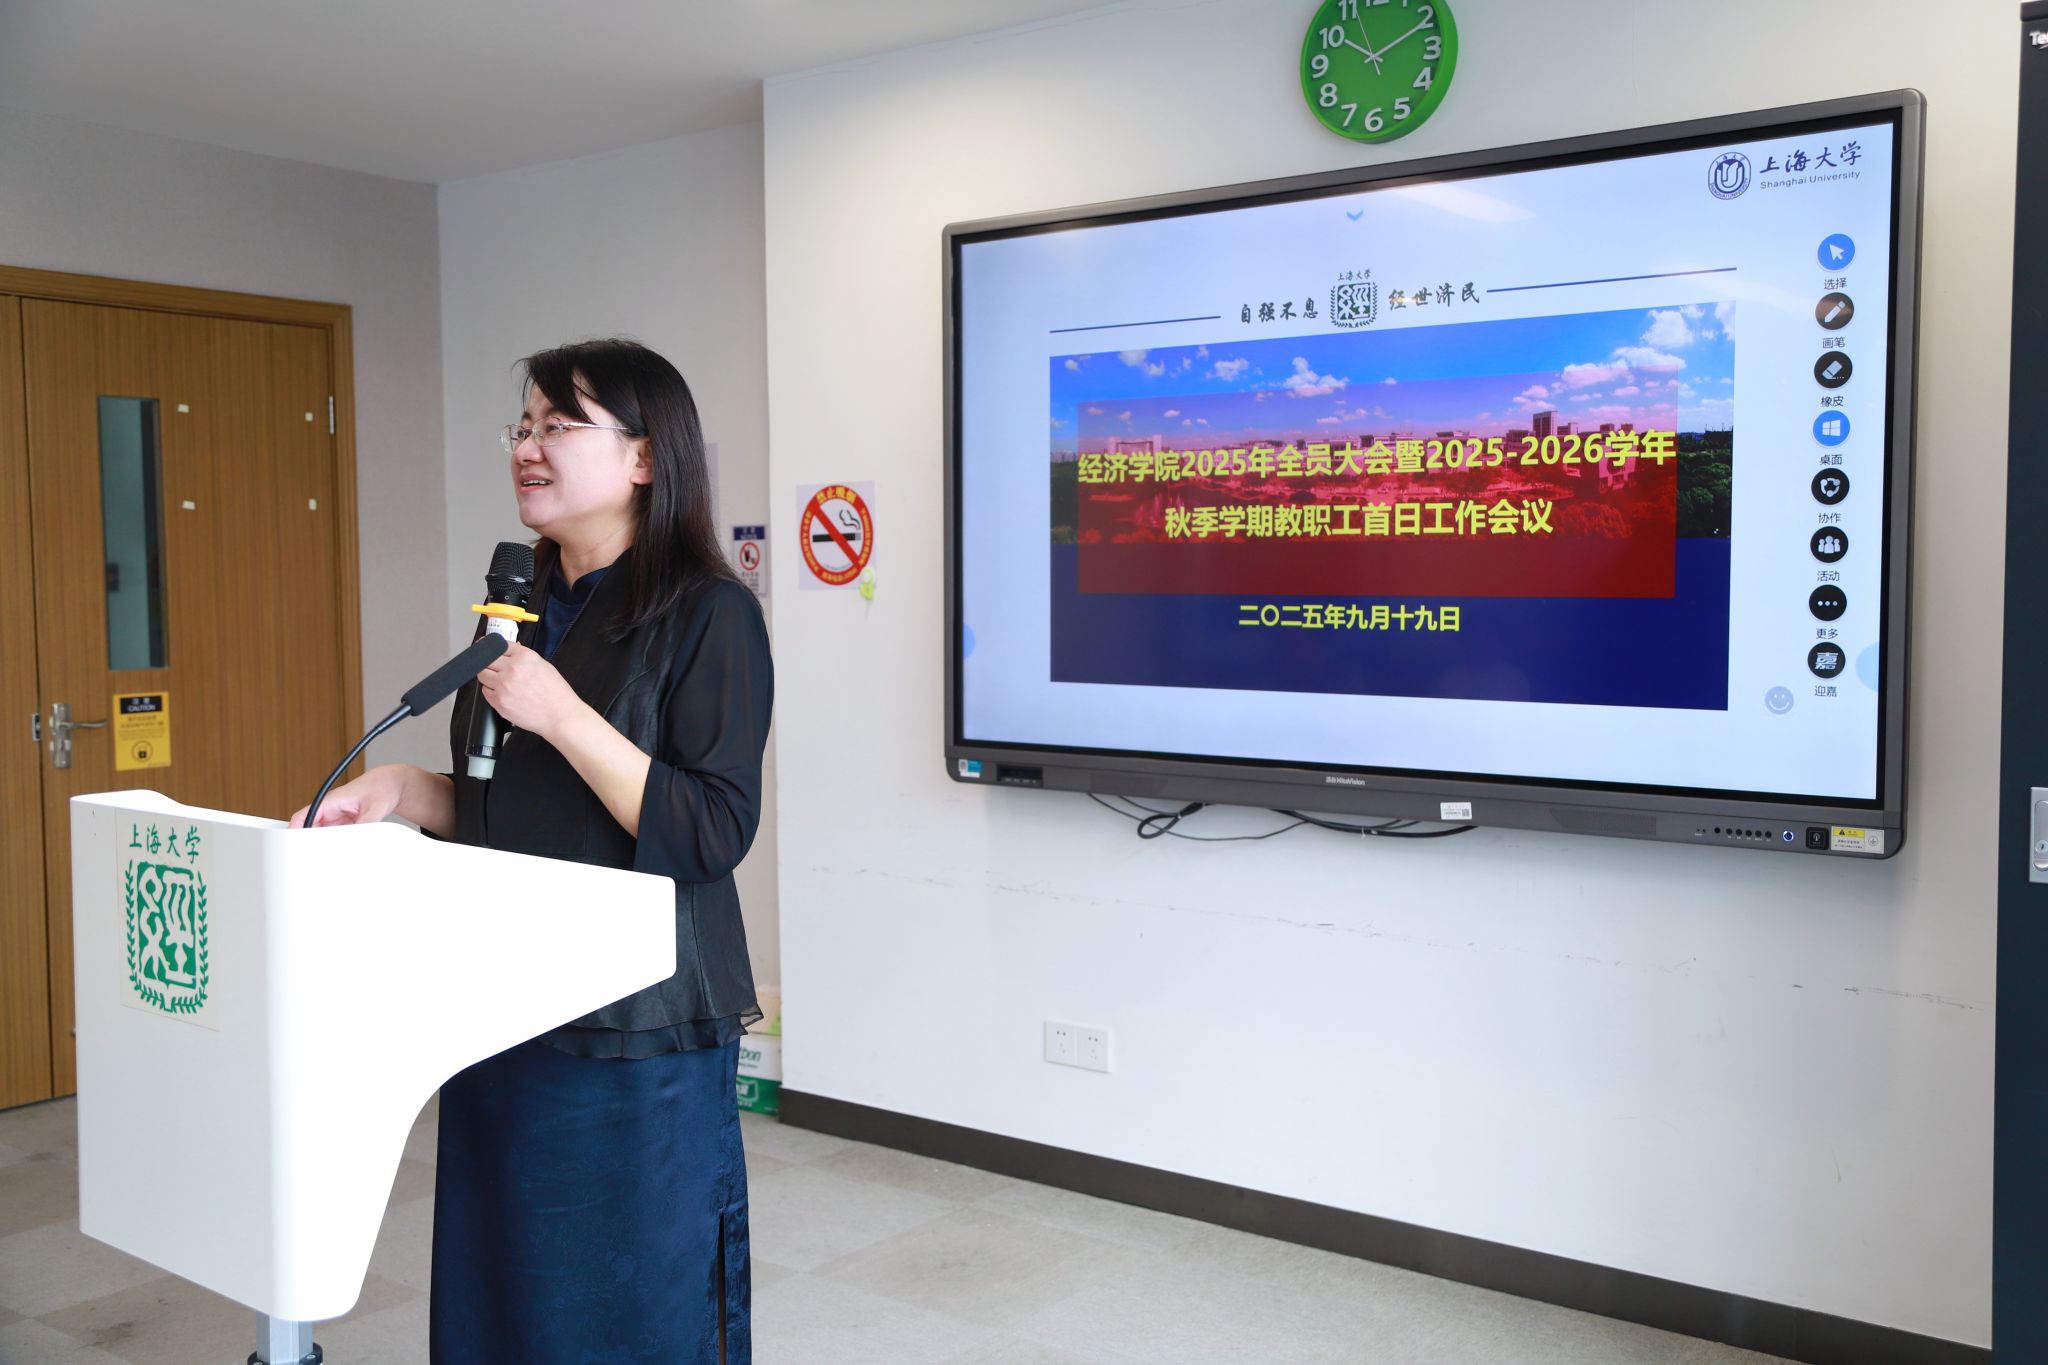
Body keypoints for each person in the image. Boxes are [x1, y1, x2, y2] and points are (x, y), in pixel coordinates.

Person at [292, 338, 771, 1363]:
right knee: (501, 1291)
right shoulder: (523, 604)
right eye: (522, 426)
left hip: (630, 1030)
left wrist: (560, 714)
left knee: (624, 1308)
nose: (528, 447)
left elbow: (712, 828)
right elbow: (517, 808)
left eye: (560, 425)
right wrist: (406, 791)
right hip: (498, 1006)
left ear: (645, 457)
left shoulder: (709, 612)